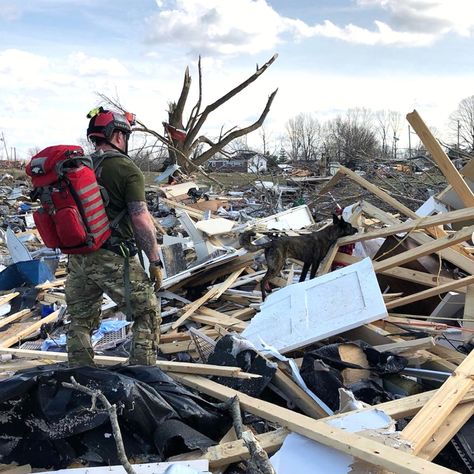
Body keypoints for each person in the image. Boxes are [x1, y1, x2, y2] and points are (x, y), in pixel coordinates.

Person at [66, 107, 162, 367]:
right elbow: (140, 219)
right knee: (147, 312)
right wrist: (154, 261)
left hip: (78, 258)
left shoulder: (78, 168)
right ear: (118, 135)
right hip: (113, 258)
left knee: (79, 320)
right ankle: (143, 374)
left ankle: (80, 376)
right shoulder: (127, 169)